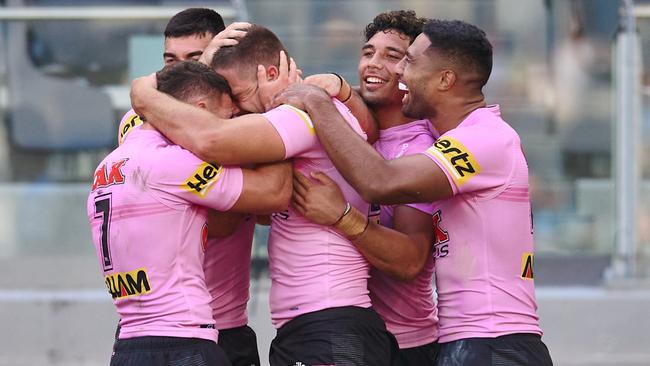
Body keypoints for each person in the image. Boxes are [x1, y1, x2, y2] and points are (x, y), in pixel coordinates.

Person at [273, 19, 554, 366]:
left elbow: (382, 182)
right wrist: (345, 95)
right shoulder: (451, 139)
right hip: (466, 341)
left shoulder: (487, 139)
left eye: (409, 61)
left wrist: (318, 102)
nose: (399, 70)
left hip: (495, 343)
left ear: (445, 79)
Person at [130, 25, 396, 366]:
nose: (235, 109)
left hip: (330, 321)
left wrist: (144, 93)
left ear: (272, 75)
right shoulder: (301, 112)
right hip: (309, 324)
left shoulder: (296, 113)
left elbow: (214, 139)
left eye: (238, 96)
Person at [87, 61, 291, 366]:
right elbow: (274, 193)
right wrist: (276, 111)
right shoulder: (174, 162)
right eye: (227, 119)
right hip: (184, 344)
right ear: (199, 109)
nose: (229, 129)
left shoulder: (106, 166)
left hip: (128, 347)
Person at [114, 9, 261, 365]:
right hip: (154, 331)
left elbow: (257, 216)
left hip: (226, 326)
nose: (179, 71)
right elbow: (220, 222)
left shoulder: (244, 119)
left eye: (194, 59)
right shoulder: (137, 121)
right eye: (170, 61)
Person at [298, 10, 439, 365]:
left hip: (406, 346)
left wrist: (341, 217)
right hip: (345, 334)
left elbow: (411, 260)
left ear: (416, 72)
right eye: (367, 53)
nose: (373, 64)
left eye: (392, 56)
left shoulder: (421, 149)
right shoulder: (350, 130)